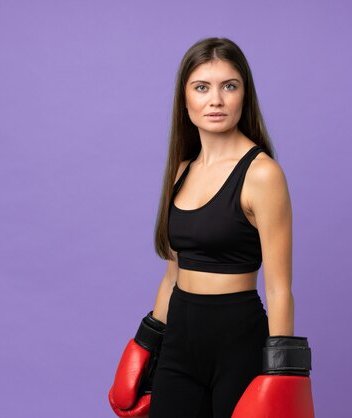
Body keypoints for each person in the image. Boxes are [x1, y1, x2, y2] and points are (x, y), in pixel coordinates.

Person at [108, 37, 315, 418]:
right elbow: (173, 273)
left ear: (243, 96)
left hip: (238, 341)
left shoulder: (262, 174)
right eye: (202, 87)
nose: (215, 100)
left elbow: (279, 288)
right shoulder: (182, 171)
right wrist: (147, 342)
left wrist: (283, 375)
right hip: (179, 340)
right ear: (185, 101)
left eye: (229, 86)